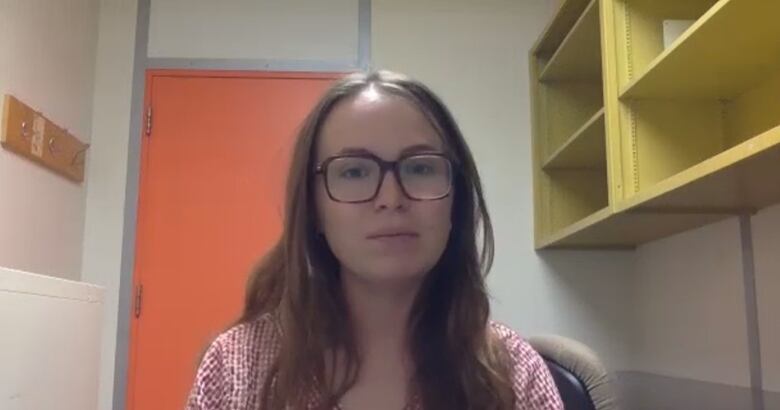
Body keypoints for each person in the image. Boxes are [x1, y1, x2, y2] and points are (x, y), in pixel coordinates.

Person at [186, 70, 563, 410]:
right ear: (314, 209)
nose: (391, 199)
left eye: (419, 167)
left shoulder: (515, 375)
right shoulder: (235, 369)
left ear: (456, 199)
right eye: (353, 171)